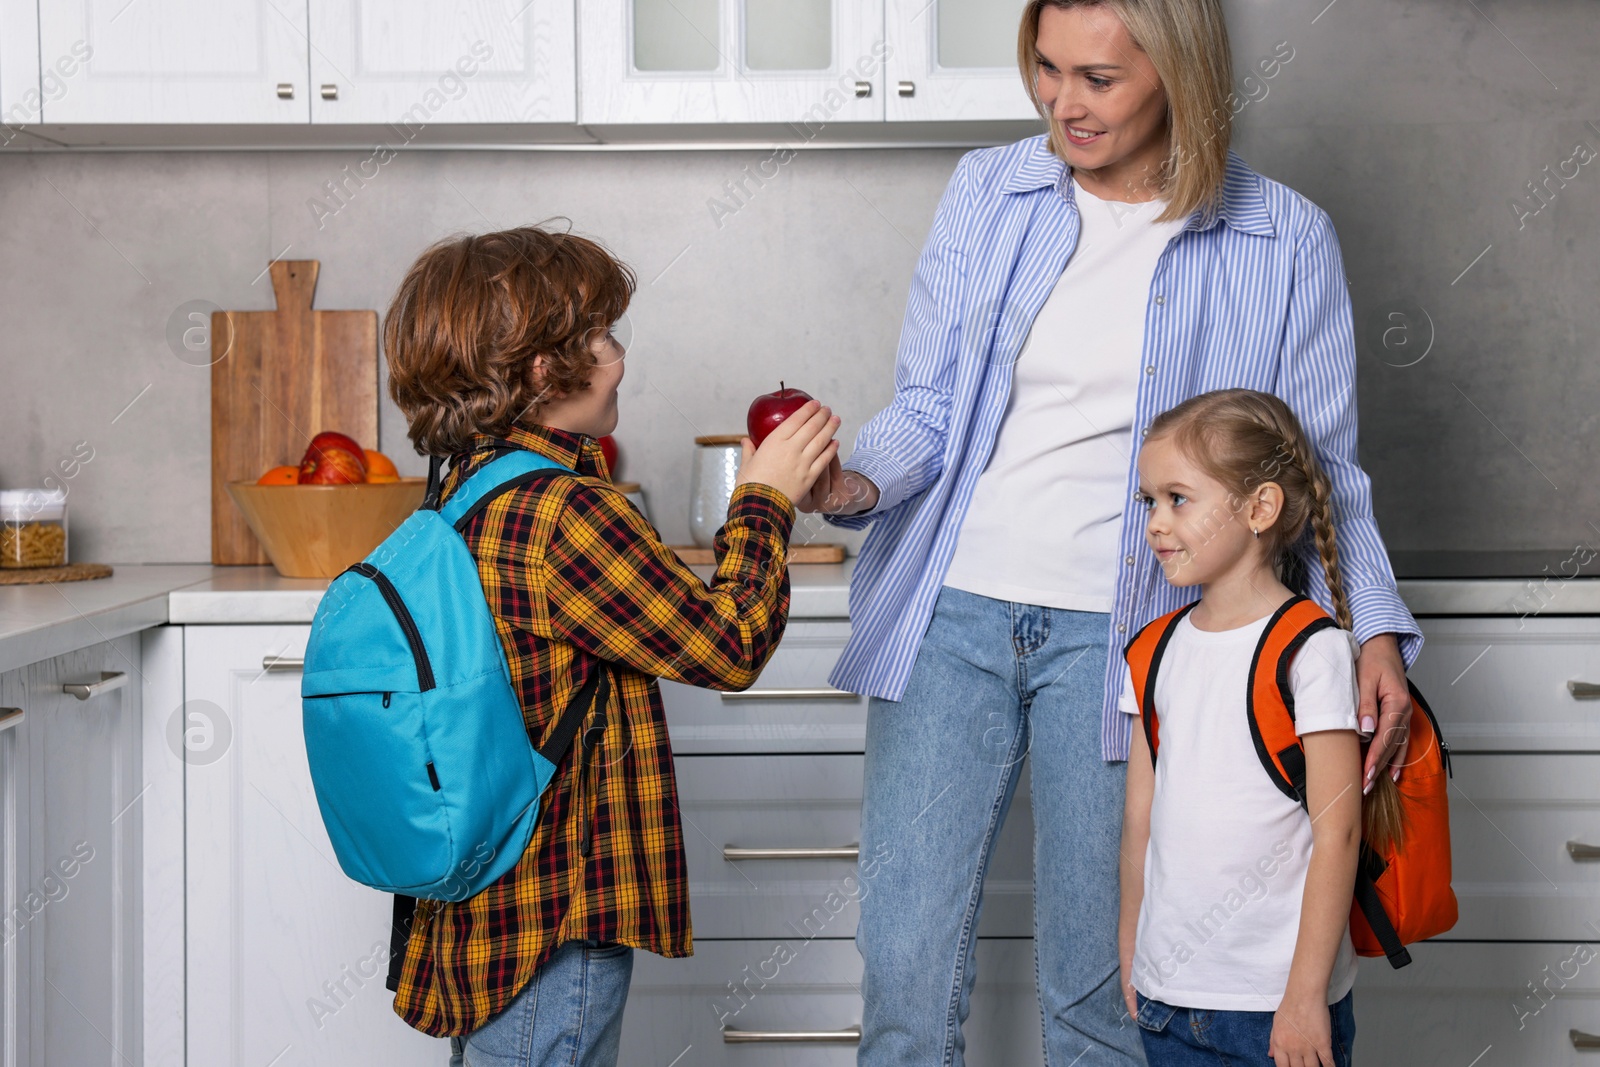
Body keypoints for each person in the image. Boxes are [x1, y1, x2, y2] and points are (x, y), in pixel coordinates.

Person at [801, 1, 1422, 1063]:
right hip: (952, 612)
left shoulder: (1280, 235)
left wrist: (1371, 630)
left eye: (1097, 78)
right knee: (904, 963)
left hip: (1134, 633)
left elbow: (1321, 470)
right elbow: (930, 407)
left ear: (1177, 70)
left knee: (1098, 985)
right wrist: (852, 481)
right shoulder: (988, 191)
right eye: (1045, 70)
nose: (1060, 102)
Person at [381, 224, 839, 1066]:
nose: (619, 356)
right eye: (600, 336)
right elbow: (728, 643)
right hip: (555, 911)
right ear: (540, 369)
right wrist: (765, 497)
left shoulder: (460, 494)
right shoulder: (566, 511)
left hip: (481, 903)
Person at [1118, 388, 1387, 1067]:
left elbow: (1339, 830)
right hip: (1167, 998)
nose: (1155, 522)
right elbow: (1139, 820)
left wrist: (1303, 999)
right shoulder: (1152, 650)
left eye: (1178, 498)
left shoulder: (1312, 648)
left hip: (1276, 1012)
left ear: (1260, 508)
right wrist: (1133, 950)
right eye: (1148, 500)